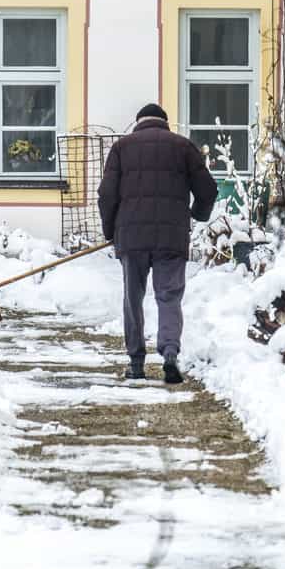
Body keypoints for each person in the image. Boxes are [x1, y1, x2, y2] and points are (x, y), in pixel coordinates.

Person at [97, 103, 218, 383]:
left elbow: (106, 195)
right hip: (171, 237)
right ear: (165, 123)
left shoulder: (121, 148)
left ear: (138, 122)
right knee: (169, 297)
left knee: (133, 298)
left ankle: (136, 362)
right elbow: (208, 190)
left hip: (132, 238)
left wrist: (111, 231)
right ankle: (170, 353)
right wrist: (197, 215)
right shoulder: (183, 147)